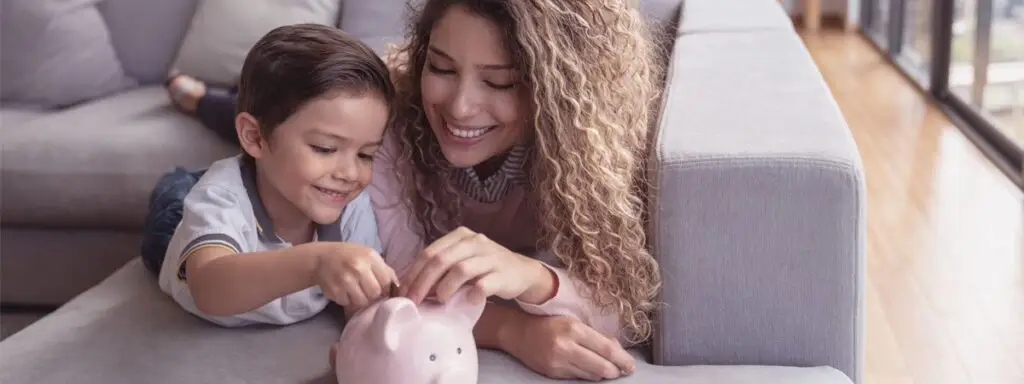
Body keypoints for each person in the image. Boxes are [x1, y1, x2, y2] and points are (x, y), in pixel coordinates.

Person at [163, 0, 664, 381]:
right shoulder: (382, 140)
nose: (462, 107)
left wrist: (531, 280)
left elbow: (622, 300)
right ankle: (205, 100)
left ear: (555, 91)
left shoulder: (586, 154)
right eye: (442, 69)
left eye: (501, 82)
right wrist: (513, 330)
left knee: (292, 142)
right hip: (210, 195)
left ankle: (208, 100)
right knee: (251, 152)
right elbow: (396, 283)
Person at [156, 23, 399, 328]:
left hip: (261, 170)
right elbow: (208, 288)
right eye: (325, 148)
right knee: (177, 193)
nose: (350, 173)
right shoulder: (219, 197)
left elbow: (364, 305)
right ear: (254, 137)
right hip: (177, 215)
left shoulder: (351, 207)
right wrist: (316, 262)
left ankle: (211, 96)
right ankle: (196, 98)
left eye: (366, 155)